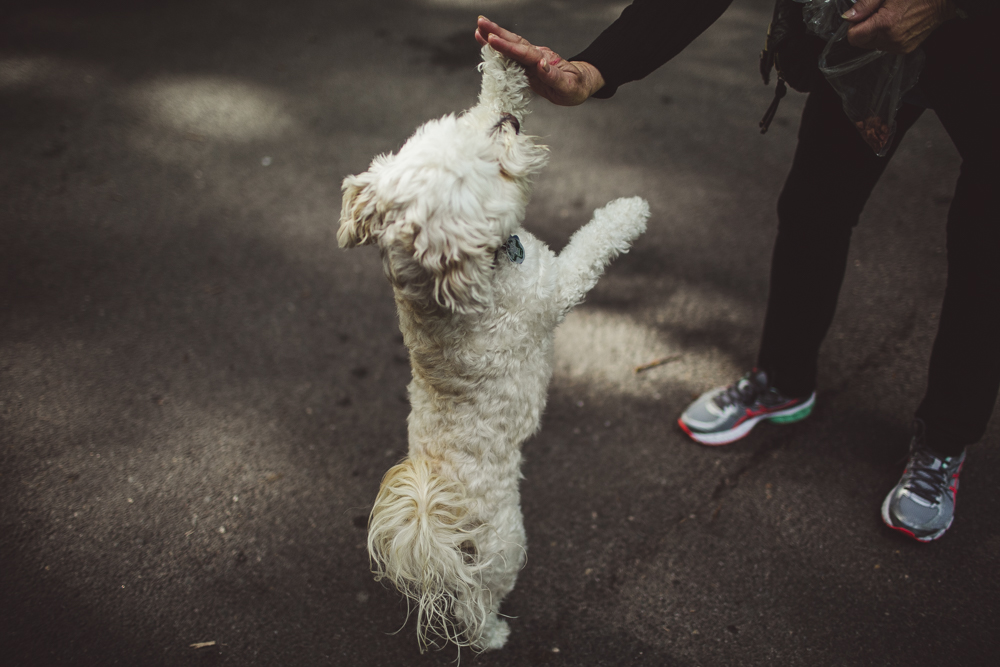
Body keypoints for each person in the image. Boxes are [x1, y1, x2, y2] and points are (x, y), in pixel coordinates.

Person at [475, 0, 998, 542]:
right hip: (861, 52)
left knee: (985, 249)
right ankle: (785, 380)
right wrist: (592, 69)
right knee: (812, 210)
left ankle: (944, 439)